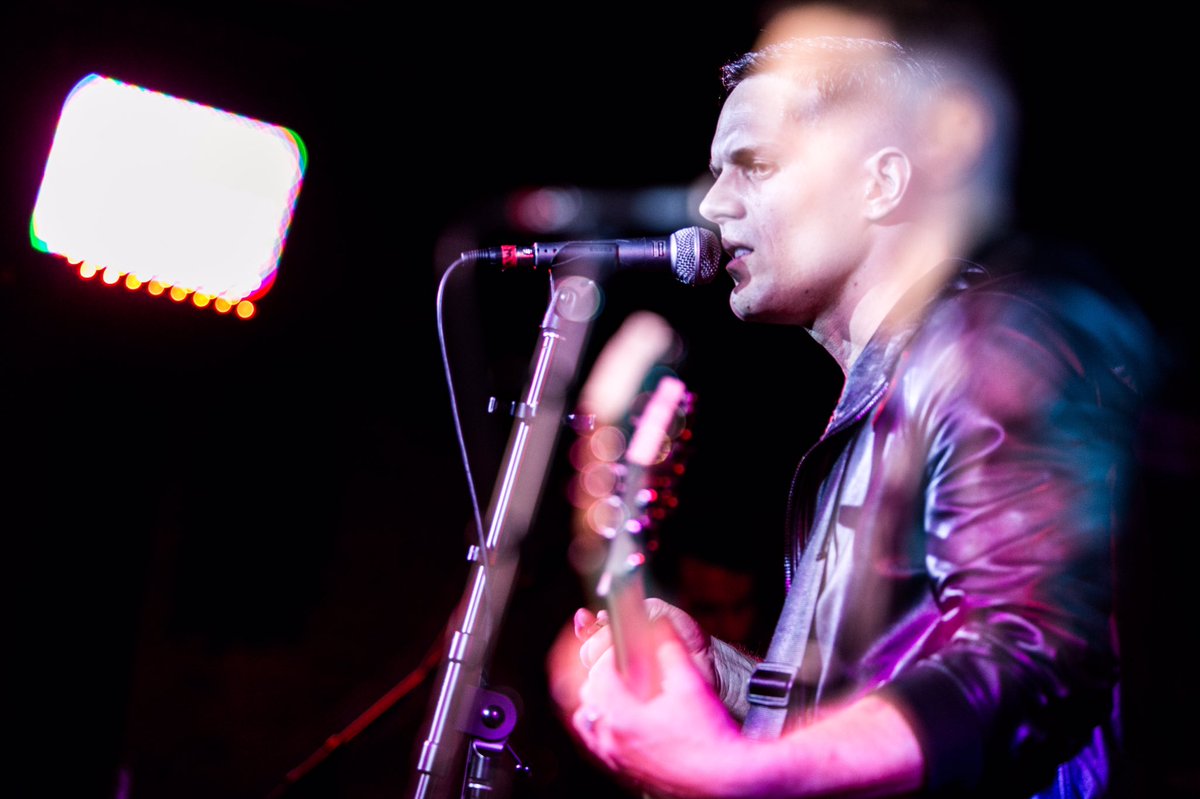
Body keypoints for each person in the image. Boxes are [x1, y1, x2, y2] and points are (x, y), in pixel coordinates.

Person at [552, 33, 1159, 799]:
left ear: (879, 185)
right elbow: (875, 698)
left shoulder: (991, 347)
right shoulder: (880, 402)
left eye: (756, 165)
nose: (712, 205)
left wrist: (741, 770)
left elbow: (1028, 657)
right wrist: (728, 678)